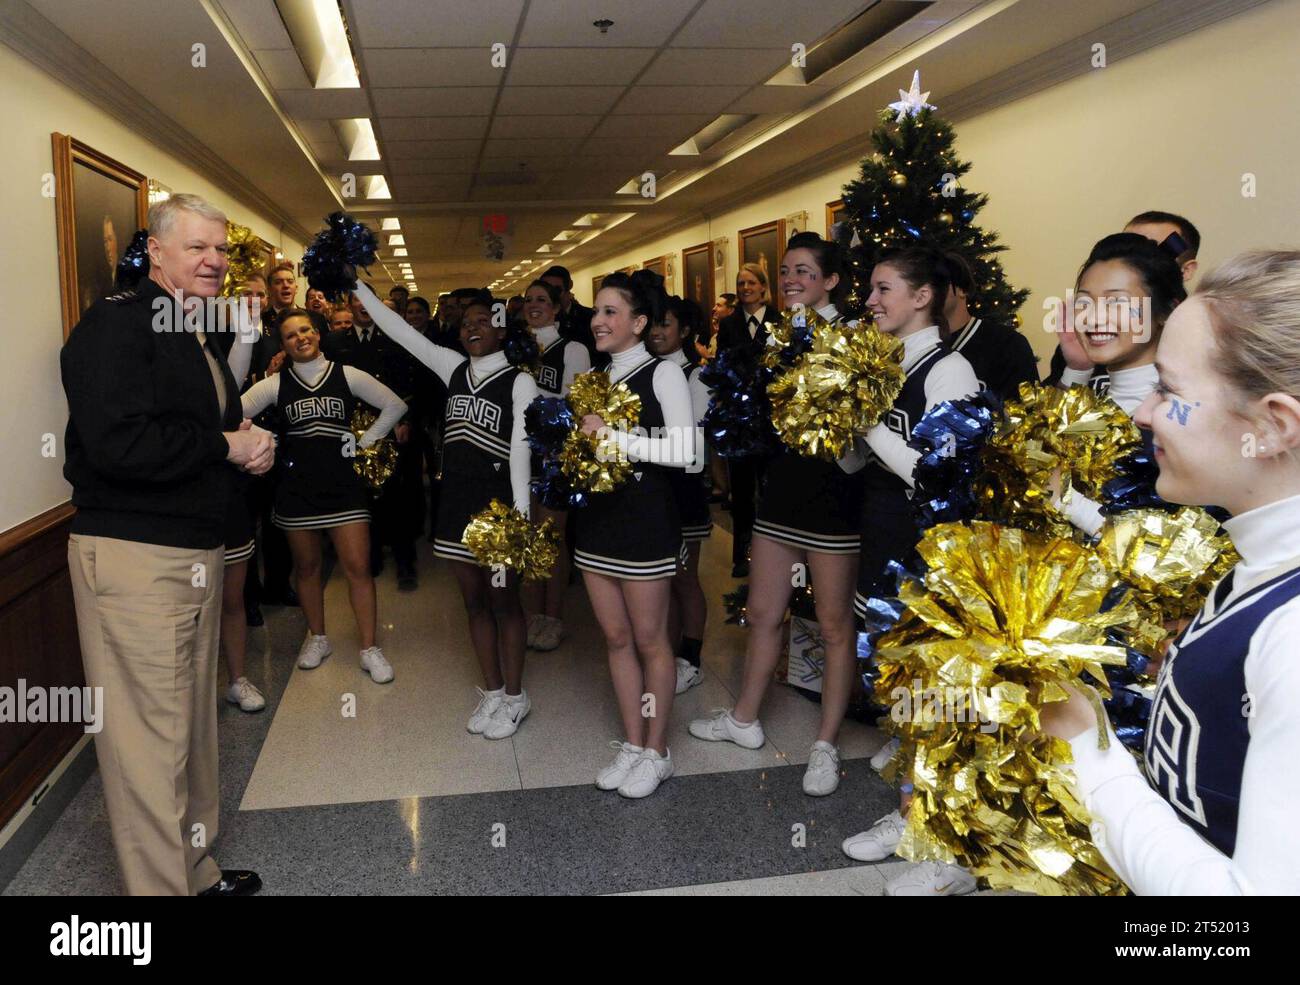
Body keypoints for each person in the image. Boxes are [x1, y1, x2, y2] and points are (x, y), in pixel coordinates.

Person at [1043, 250, 1300, 894]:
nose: (1143, 413)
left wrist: (1087, 750)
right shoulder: (1260, 565)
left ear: (1272, 427)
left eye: (1170, 391)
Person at [61, 192, 269, 895]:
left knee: (189, 729)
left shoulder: (189, 329)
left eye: (221, 249)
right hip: (135, 556)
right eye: (197, 248)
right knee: (148, 744)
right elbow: (120, 445)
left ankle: (196, 870)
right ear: (157, 250)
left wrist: (246, 445)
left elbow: (206, 429)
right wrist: (226, 446)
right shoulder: (115, 326)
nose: (214, 261)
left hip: (192, 551)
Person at [690, 233, 863, 797]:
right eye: (786, 270)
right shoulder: (776, 334)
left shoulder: (854, 337)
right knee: (762, 613)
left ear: (831, 280)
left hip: (835, 499)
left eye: (805, 272)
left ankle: (825, 745)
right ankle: (744, 720)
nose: (791, 279)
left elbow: (859, 434)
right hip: (781, 492)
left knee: (835, 627)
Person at [353, 282, 541, 740]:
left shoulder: (521, 380)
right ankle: (493, 691)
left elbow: (522, 453)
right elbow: (399, 330)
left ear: (501, 329)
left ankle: (516, 697)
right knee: (473, 603)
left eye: (483, 322)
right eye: (466, 323)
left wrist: (517, 520)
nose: (472, 329)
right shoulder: (453, 367)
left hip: (499, 510)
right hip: (455, 507)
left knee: (504, 603)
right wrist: (354, 282)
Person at [574, 270, 696, 798]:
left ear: (639, 322)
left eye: (609, 312)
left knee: (650, 640)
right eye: (596, 312)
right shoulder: (594, 380)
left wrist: (614, 439)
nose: (597, 321)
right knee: (617, 638)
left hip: (646, 524)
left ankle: (657, 750)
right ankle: (631, 742)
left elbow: (685, 453)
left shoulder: (663, 374)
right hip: (597, 523)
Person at [240, 308, 406, 683]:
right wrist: (262, 445)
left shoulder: (346, 374)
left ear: (318, 333)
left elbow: (396, 405)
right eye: (290, 335)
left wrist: (366, 441)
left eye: (306, 330)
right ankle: (318, 638)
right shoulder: (275, 385)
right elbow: (235, 414)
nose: (300, 338)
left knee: (358, 568)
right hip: (296, 489)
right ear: (282, 345)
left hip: (345, 487)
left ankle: (369, 648)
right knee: (308, 569)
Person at [518, 278, 591, 652]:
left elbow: (577, 404)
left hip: (555, 455)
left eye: (542, 300)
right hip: (519, 454)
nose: (534, 305)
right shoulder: (515, 348)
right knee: (529, 537)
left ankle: (554, 617)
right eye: (529, 299)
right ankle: (532, 616)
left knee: (552, 537)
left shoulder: (573, 348)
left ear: (557, 306)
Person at [1046, 210, 1201, 384]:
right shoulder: (1080, 349)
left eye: (1117, 301)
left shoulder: (1193, 386)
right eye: (1085, 301)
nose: (1095, 318)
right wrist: (1077, 370)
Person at [646, 296, 712, 694]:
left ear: (684, 330)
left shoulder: (696, 376)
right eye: (651, 323)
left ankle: (692, 657)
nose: (656, 331)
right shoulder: (648, 372)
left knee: (685, 578)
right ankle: (666, 653)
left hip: (683, 491)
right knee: (663, 579)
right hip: (653, 492)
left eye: (665, 324)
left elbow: (696, 449)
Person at [714, 265, 775, 576]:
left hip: (772, 421)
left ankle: (771, 556)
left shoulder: (780, 321)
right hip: (739, 422)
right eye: (740, 283)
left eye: (751, 282)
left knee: (771, 490)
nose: (745, 287)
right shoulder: (729, 324)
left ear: (763, 287)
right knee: (741, 492)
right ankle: (742, 555)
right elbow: (721, 366)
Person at [940, 250, 1038, 399]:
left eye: (937, 284)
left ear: (962, 289)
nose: (926, 292)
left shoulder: (1007, 344)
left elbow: (1026, 411)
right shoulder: (910, 343)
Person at [541, 264, 596, 358]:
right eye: (545, 290)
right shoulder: (535, 321)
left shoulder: (590, 318)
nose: (551, 296)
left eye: (556, 290)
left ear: (569, 287)